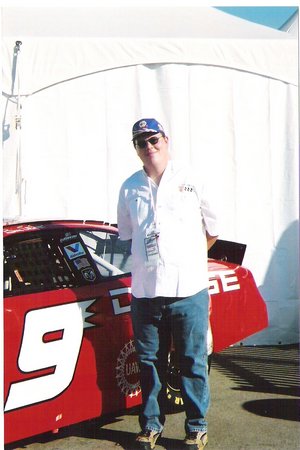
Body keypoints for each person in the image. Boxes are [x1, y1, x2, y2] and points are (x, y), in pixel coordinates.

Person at [117, 118, 219, 450]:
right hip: (146, 293)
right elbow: (127, 235)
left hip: (188, 291)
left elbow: (214, 229)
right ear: (136, 149)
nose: (149, 147)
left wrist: (190, 258)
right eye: (141, 142)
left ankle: (196, 427)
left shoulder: (192, 179)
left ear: (166, 139)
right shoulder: (130, 187)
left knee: (192, 360)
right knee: (149, 363)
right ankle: (150, 426)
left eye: (153, 139)